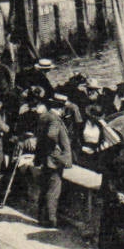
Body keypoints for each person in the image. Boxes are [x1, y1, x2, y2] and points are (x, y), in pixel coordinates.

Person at [33, 96, 73, 226]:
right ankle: (51, 219)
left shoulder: (44, 116)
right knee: (54, 190)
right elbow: (51, 135)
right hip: (53, 160)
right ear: (60, 108)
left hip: (44, 158)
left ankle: (42, 216)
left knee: (45, 188)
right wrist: (56, 151)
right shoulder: (55, 120)